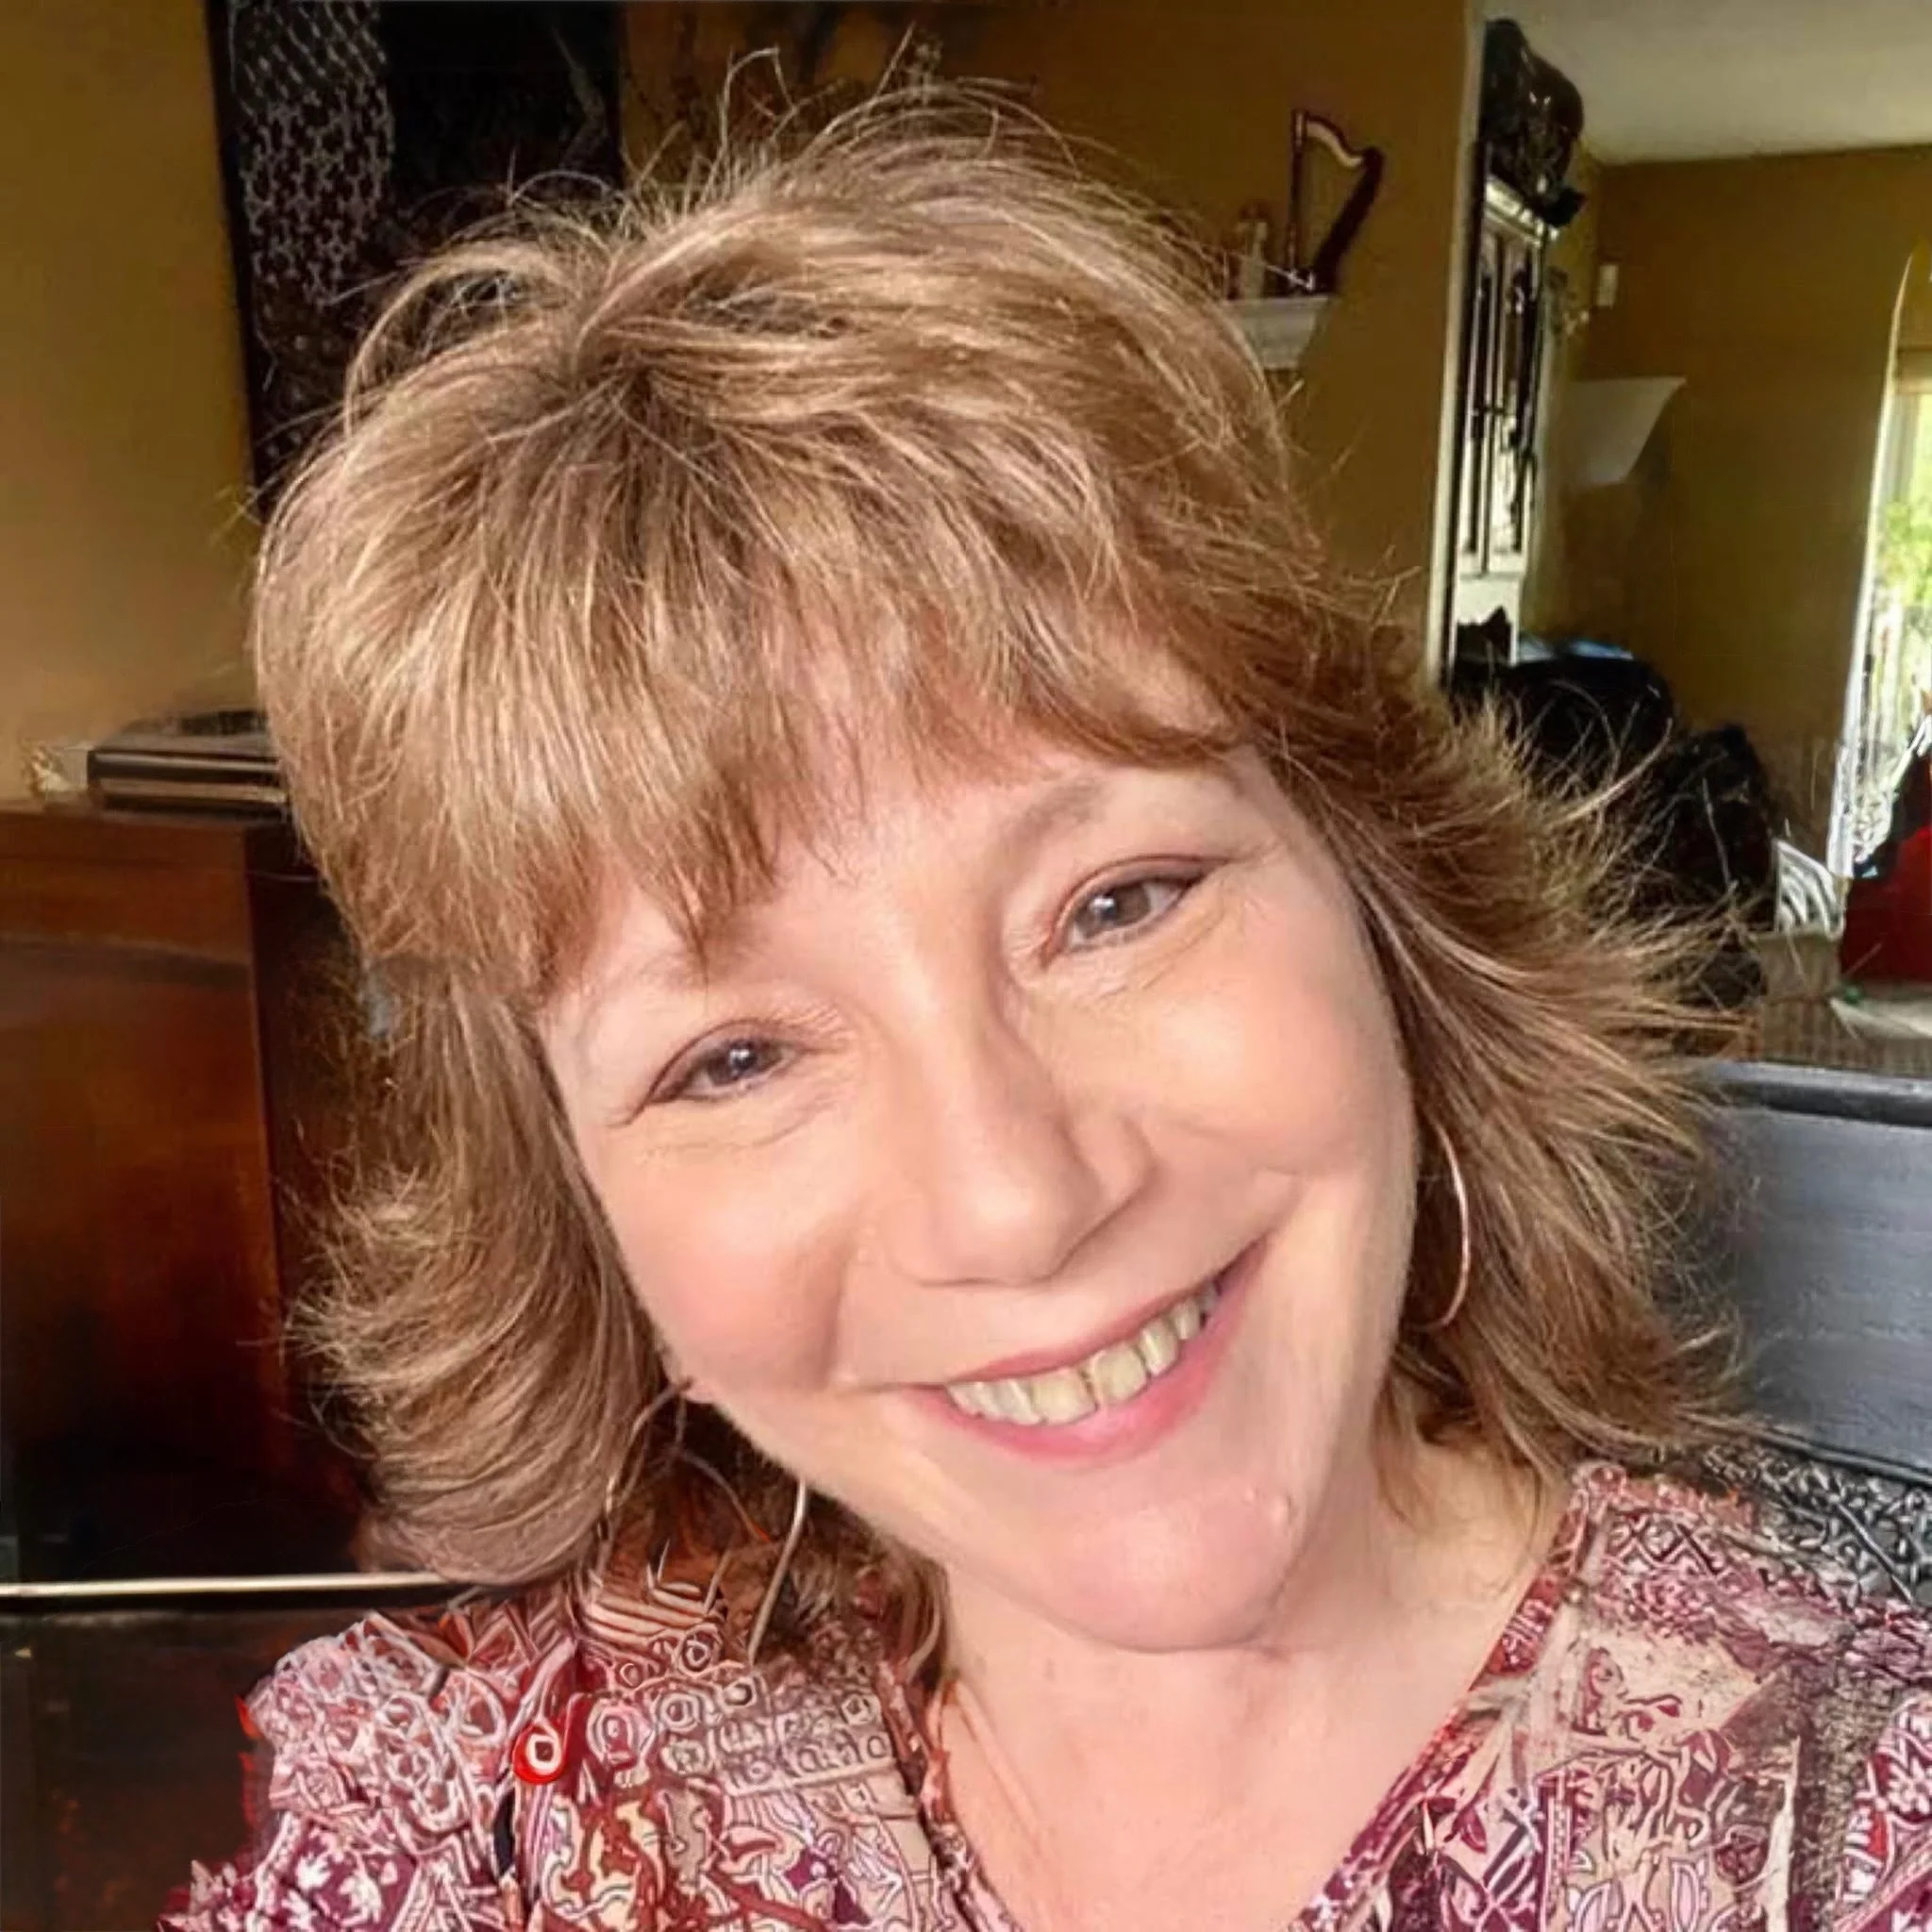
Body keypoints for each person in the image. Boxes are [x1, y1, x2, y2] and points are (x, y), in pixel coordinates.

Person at [163, 97, 1932, 1932]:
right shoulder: (494, 1816)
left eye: (1115, 903)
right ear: (583, 1212)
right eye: (735, 1056)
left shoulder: (1849, 1833)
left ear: (1386, 907)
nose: (1012, 1201)